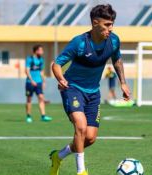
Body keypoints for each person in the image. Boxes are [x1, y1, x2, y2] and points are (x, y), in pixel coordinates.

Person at [50, 4, 130, 175]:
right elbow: (56, 64)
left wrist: (123, 82)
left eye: (112, 24)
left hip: (93, 92)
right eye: (107, 25)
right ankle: (81, 171)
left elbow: (117, 60)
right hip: (73, 89)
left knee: (90, 138)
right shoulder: (79, 43)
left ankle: (58, 156)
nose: (110, 28)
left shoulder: (114, 41)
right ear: (95, 23)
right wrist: (61, 78)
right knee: (80, 126)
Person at [25, 45, 52, 123]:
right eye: (41, 50)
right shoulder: (29, 59)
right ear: (36, 51)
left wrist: (44, 81)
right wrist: (32, 80)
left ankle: (43, 116)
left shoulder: (41, 60)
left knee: (41, 98)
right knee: (29, 99)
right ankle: (28, 116)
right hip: (30, 83)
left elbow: (41, 71)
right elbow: (27, 71)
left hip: (39, 82)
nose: (42, 52)